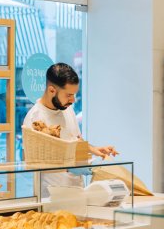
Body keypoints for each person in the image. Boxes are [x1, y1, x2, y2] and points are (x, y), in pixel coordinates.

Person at [23, 62, 118, 196]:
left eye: (74, 95)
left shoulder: (67, 109)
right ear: (51, 90)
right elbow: (31, 160)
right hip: (52, 195)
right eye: (68, 95)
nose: (73, 100)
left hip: (77, 191)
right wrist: (69, 165)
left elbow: (75, 140)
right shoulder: (35, 118)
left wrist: (94, 149)